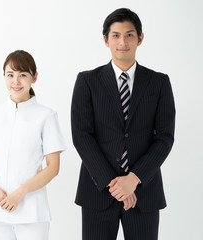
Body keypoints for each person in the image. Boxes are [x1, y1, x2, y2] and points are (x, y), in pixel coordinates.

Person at [71, 8, 175, 240]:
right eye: (116, 35)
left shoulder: (159, 82)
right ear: (106, 40)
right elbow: (82, 136)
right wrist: (114, 184)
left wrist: (134, 178)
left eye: (129, 35)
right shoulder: (87, 81)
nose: (123, 42)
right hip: (97, 193)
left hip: (144, 193)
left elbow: (165, 137)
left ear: (140, 38)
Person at [0, 50, 66, 240]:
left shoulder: (46, 116)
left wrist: (21, 192)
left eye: (23, 75)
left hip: (31, 210)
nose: (16, 81)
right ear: (4, 77)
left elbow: (53, 167)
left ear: (35, 77)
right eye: (10, 75)